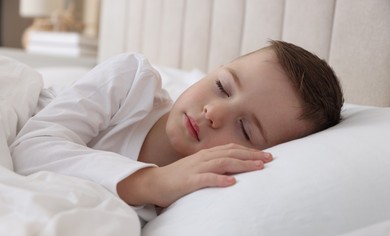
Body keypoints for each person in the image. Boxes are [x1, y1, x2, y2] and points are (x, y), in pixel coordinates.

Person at [10, 40, 343, 222]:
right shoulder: (130, 82)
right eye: (223, 87)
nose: (214, 112)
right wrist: (152, 182)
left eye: (244, 128)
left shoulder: (193, 200)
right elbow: (30, 150)